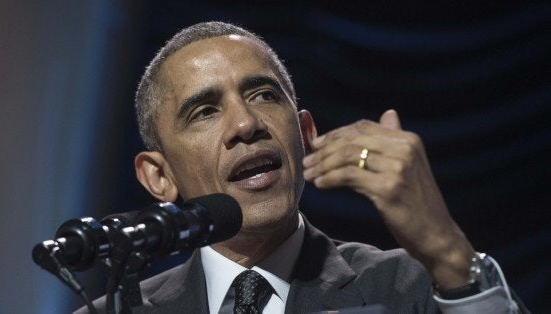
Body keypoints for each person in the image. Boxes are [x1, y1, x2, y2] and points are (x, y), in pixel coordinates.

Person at [78, 21, 526, 313]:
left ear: (305, 133)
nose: (246, 124)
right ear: (159, 176)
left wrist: (448, 251)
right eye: (205, 112)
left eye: (264, 95)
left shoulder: (413, 289)